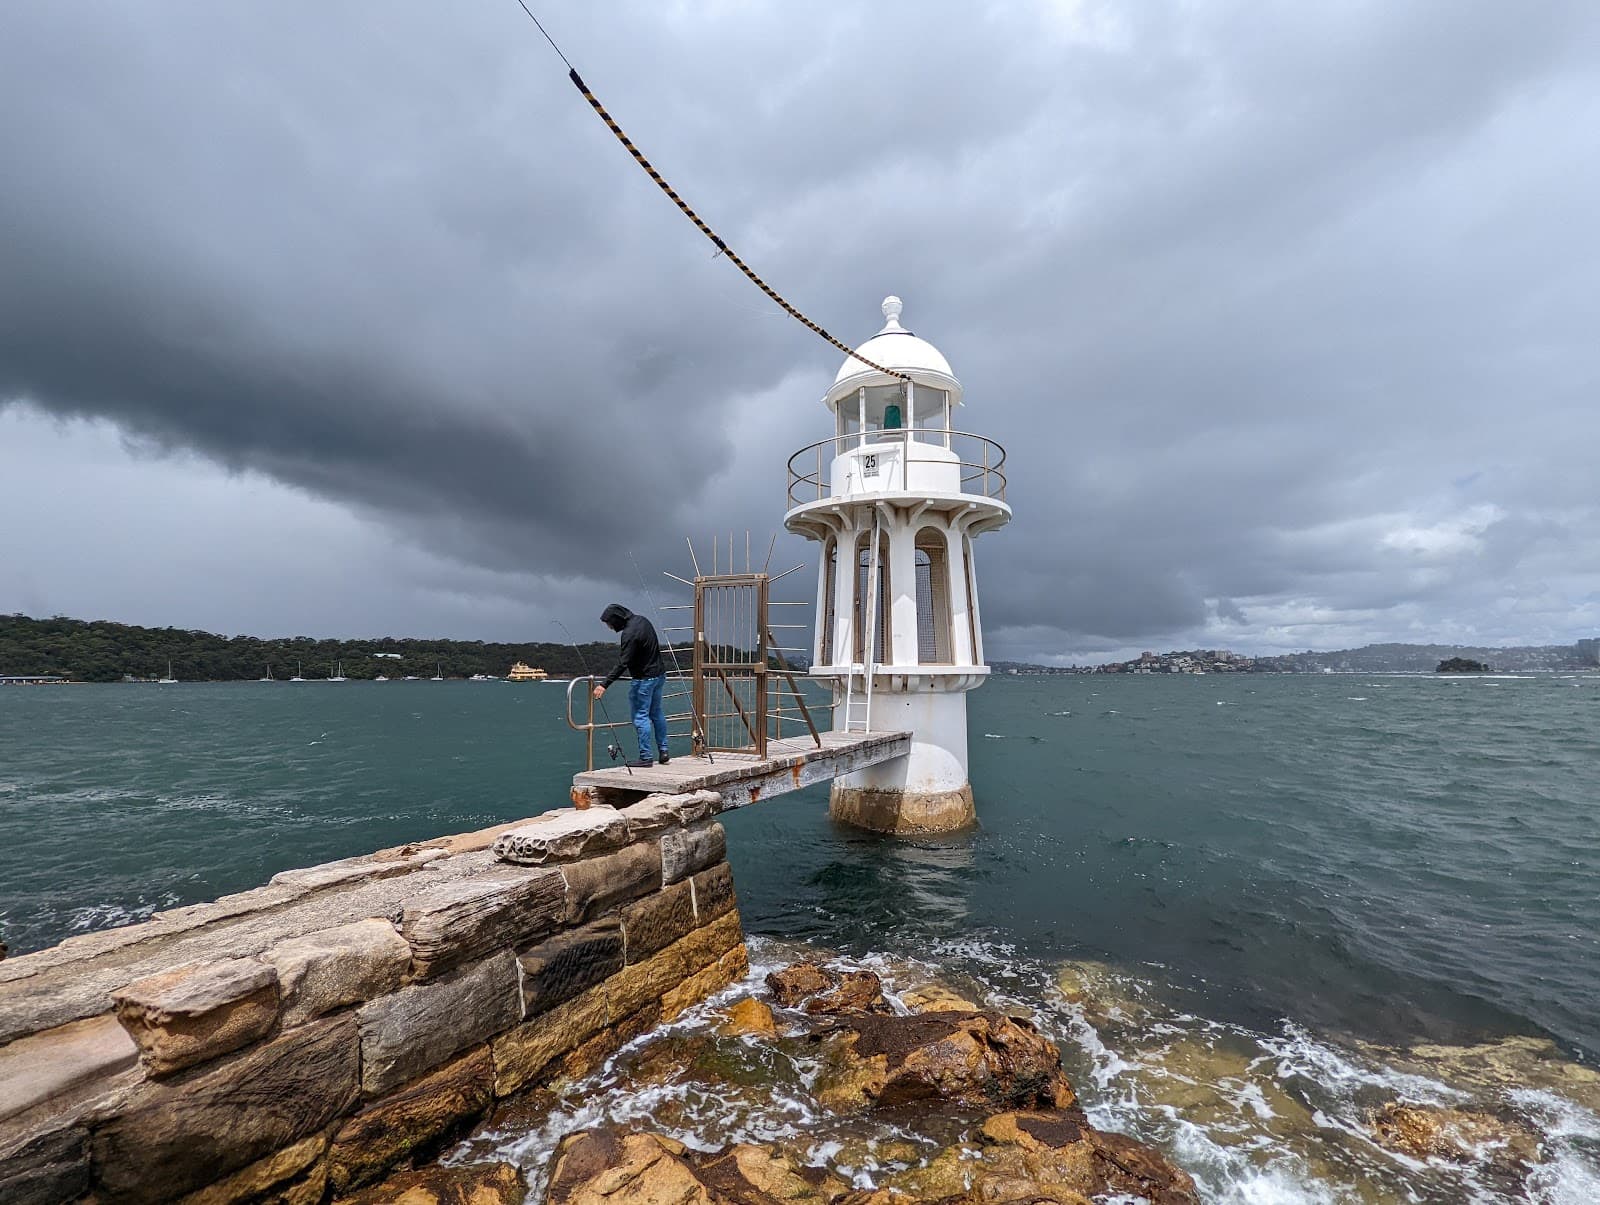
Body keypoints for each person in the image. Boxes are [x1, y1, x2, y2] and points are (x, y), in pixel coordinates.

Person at [594, 603, 668, 767]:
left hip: (643, 680)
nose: (609, 627)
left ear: (617, 619)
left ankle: (646, 757)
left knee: (640, 717)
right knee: (656, 713)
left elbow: (623, 663)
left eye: (609, 623)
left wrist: (604, 684)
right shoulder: (643, 621)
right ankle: (664, 751)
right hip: (659, 675)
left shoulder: (629, 634)